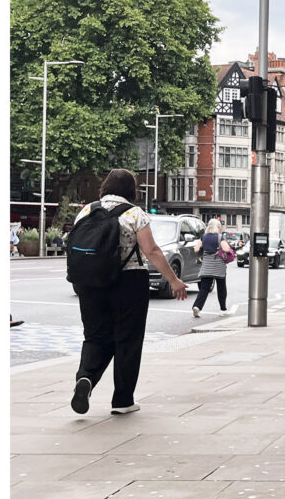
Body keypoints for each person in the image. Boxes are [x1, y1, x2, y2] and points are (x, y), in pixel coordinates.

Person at [65, 168, 187, 416]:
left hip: (91, 282)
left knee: (95, 336)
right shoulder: (134, 214)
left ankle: (86, 377)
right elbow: (151, 250)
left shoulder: (87, 210)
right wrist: (173, 280)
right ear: (131, 190)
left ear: (105, 186)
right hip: (128, 281)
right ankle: (122, 400)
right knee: (128, 339)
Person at [191, 225, 232, 317]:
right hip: (218, 266)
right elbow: (226, 249)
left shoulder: (203, 237)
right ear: (217, 227)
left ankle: (197, 306)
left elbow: (196, 249)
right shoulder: (220, 237)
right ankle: (223, 309)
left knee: (204, 288)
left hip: (207, 265)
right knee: (221, 287)